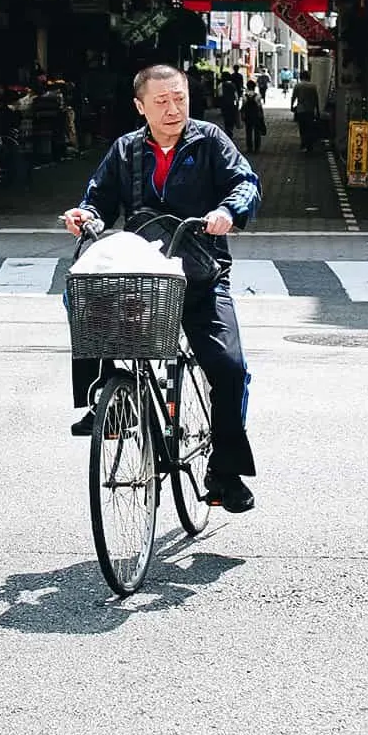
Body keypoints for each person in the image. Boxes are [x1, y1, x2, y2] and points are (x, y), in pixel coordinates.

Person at [62, 63, 261, 516]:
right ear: (140, 107)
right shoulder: (126, 150)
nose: (173, 109)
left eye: (179, 98)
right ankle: (106, 398)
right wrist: (84, 215)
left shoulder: (210, 140)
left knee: (229, 368)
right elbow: (98, 199)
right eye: (161, 101)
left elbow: (245, 182)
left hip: (201, 274)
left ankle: (224, 472)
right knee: (83, 292)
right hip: (144, 274)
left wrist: (229, 209)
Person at [290, 70, 321, 152]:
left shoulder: (298, 85)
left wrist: (292, 106)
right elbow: (316, 99)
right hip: (310, 110)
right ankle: (309, 145)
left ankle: (303, 143)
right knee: (309, 127)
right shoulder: (313, 86)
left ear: (301, 76)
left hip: (301, 109)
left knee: (302, 128)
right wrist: (317, 110)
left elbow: (293, 97)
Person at [241, 79, 267, 155]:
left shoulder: (244, 96)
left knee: (248, 132)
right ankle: (257, 148)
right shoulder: (258, 96)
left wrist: (242, 115)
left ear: (247, 87)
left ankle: (249, 148)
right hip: (256, 116)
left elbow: (243, 107)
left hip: (248, 116)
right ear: (254, 87)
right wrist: (262, 116)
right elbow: (260, 107)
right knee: (257, 132)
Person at [220, 72, 240, 143]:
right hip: (232, 104)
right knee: (231, 118)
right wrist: (237, 103)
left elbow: (219, 94)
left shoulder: (221, 85)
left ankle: (227, 131)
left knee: (226, 118)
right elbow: (236, 95)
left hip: (224, 104)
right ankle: (230, 131)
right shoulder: (233, 85)